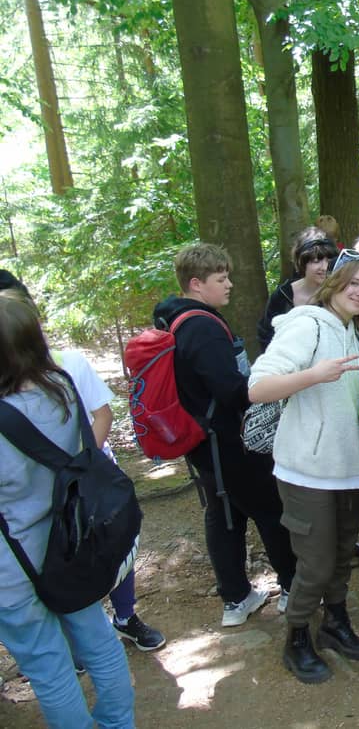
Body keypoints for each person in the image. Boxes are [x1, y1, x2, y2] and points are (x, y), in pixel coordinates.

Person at [0, 291, 136, 728]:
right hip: (72, 541)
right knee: (98, 640)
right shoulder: (62, 389)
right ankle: (118, 723)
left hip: (12, 563)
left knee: (48, 666)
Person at [248, 252, 359, 683]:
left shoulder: (351, 330)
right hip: (307, 469)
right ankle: (298, 637)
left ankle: (335, 624)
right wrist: (313, 375)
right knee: (316, 563)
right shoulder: (307, 325)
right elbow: (258, 387)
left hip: (348, 468)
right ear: (334, 283)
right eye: (353, 283)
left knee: (341, 556)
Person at [153, 244, 296, 627]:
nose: (229, 284)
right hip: (231, 441)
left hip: (204, 441)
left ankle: (236, 598)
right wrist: (267, 382)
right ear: (196, 284)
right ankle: (292, 587)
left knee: (223, 515)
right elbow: (230, 390)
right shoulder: (202, 326)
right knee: (270, 509)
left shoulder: (174, 320)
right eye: (221, 278)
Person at [257, 228, 338, 349]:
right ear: (302, 262)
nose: (324, 267)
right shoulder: (282, 296)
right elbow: (266, 335)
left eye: (329, 260)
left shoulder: (338, 295)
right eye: (316, 261)